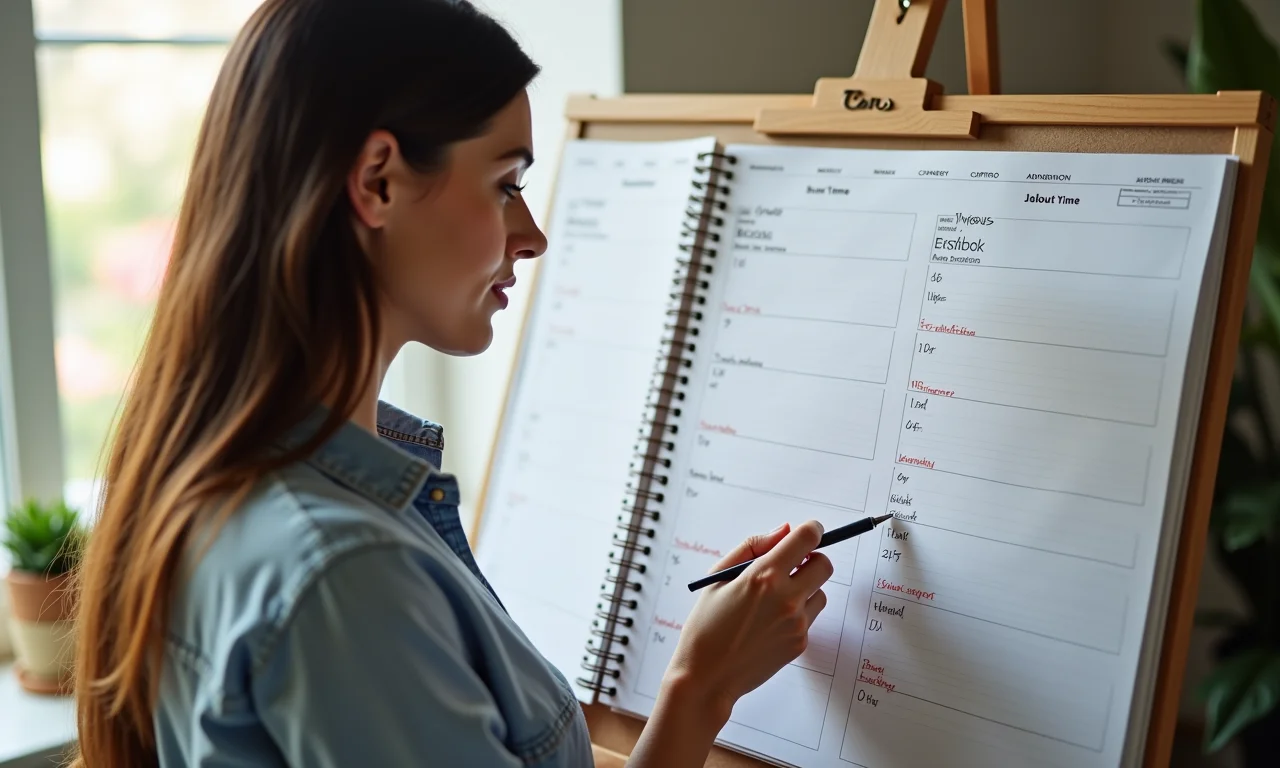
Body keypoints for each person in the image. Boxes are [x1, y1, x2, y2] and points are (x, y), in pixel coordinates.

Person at [68, 0, 834, 765]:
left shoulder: (247, 479)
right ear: (377, 182)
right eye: (506, 183)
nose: (532, 236)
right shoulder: (346, 577)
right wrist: (702, 688)